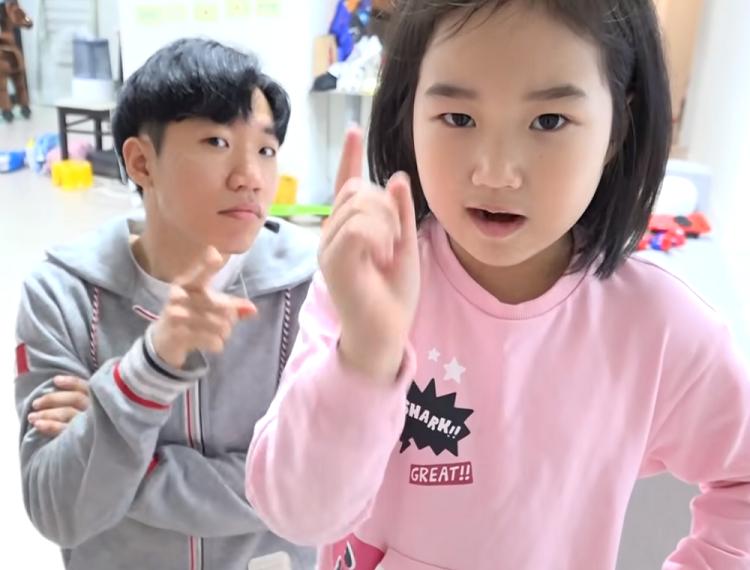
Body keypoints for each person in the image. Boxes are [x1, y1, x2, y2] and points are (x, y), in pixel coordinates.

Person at [245, 1, 750, 568]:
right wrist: (365, 358)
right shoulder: (366, 285)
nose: (495, 172)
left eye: (549, 121)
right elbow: (296, 514)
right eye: (458, 118)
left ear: (618, 129)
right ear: (410, 110)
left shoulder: (657, 326)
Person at [15, 37, 316, 570]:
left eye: (265, 150)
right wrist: (147, 370)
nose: (250, 177)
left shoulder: (310, 288)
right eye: (217, 141)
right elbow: (58, 507)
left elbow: (317, 487)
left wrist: (124, 464)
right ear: (141, 162)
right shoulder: (60, 295)